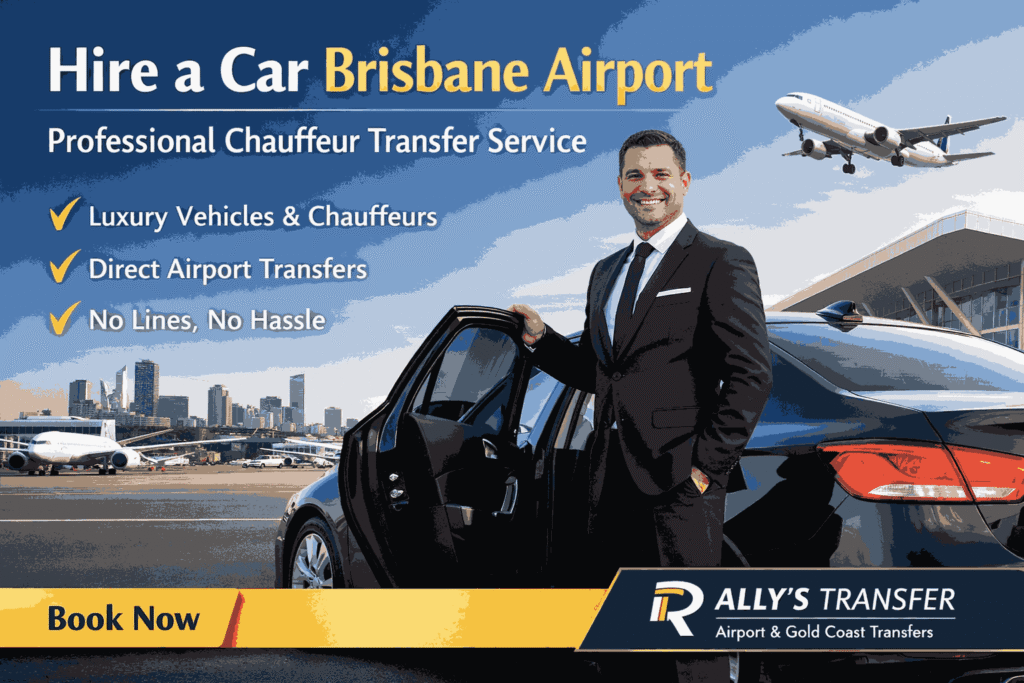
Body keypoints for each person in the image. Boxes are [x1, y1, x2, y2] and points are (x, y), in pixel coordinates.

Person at [510, 129, 772, 681]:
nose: (646, 186)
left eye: (659, 174)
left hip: (680, 482)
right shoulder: (605, 273)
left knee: (686, 645)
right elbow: (601, 373)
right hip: (609, 480)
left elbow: (750, 373)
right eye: (634, 175)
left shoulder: (719, 260)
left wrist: (705, 469)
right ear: (620, 186)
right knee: (624, 638)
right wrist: (542, 341)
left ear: (684, 182)